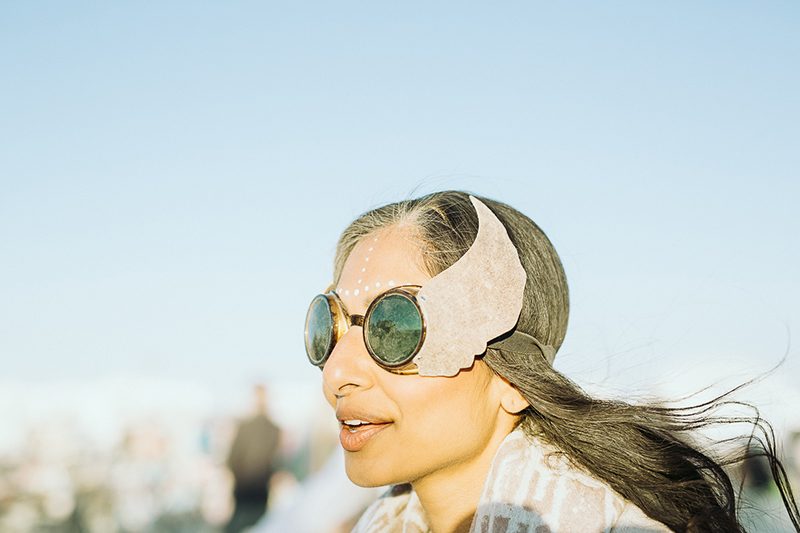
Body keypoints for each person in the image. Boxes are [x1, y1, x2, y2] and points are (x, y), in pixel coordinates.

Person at [303, 190, 799, 532]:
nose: (337, 374)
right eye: (331, 326)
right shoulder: (382, 522)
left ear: (514, 380)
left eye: (396, 326)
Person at [225, 384, 281, 533]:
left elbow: (232, 459)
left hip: (250, 490)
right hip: (253, 490)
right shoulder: (273, 429)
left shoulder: (250, 427)